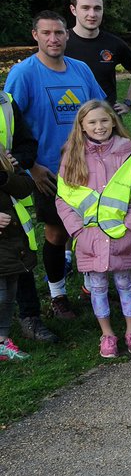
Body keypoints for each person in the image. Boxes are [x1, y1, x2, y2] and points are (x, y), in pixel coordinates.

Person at [7, 11, 106, 326]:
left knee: (92, 226)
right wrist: (32, 167)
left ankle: (93, 286)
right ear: (35, 35)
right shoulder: (24, 73)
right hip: (48, 171)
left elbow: (100, 110)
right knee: (56, 231)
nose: (54, 39)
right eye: (47, 33)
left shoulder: (80, 69)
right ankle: (58, 294)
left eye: (59, 32)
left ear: (67, 35)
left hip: (88, 166)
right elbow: (11, 125)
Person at [55, 101, 131, 358]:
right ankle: (107, 335)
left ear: (113, 122)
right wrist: (78, 232)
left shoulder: (127, 153)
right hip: (89, 237)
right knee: (97, 286)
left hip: (121, 234)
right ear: (82, 126)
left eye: (104, 120)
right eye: (92, 122)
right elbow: (63, 200)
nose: (99, 126)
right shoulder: (72, 156)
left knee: (125, 283)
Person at [66, 0, 131, 112]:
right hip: (71, 117)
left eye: (97, 8)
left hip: (106, 118)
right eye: (85, 8)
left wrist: (128, 103)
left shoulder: (114, 43)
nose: (92, 14)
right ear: (73, 10)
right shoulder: (61, 43)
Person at [0, 145, 37, 360]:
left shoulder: (5, 159)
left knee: (8, 294)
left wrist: (5, 176)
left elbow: (25, 187)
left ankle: (2, 341)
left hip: (13, 244)